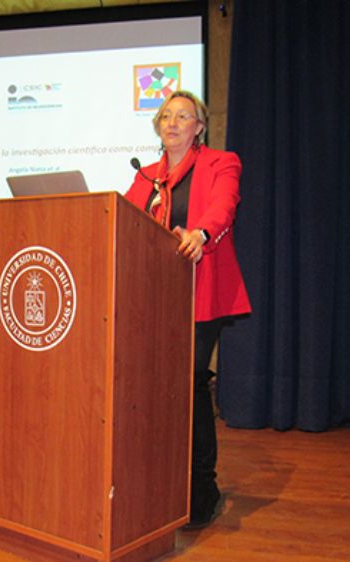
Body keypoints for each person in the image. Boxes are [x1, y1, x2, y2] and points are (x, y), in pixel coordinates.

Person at [124, 90, 251, 529]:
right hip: (151, 299)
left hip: (201, 291)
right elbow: (120, 219)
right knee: (156, 387)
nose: (173, 122)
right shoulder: (146, 177)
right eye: (166, 116)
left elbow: (224, 206)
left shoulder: (221, 163)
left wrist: (199, 232)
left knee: (191, 381)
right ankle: (161, 484)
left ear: (199, 126)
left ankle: (203, 490)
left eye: (184, 116)